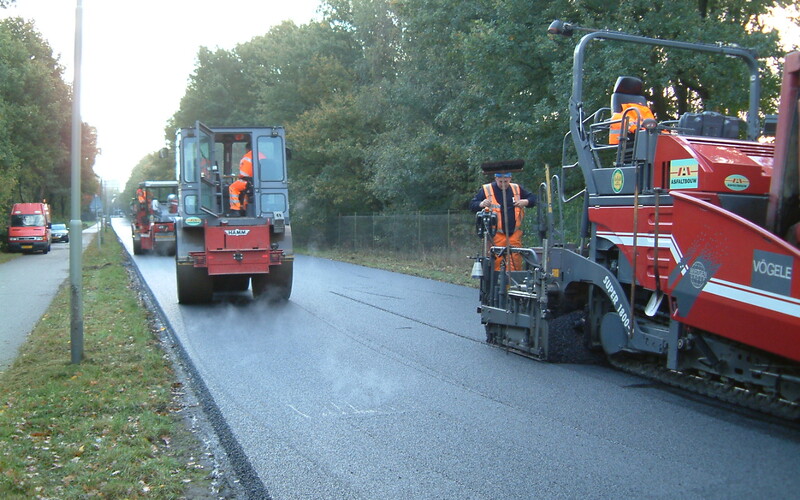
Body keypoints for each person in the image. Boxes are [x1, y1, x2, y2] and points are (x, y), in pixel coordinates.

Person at [469, 171, 536, 271]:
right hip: (495, 236)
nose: (503, 184)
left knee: (515, 262)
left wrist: (525, 201)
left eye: (506, 181)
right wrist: (481, 204)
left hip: (514, 235)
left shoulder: (516, 188)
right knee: (496, 263)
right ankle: (497, 284)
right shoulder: (487, 189)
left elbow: (533, 199)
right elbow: (472, 205)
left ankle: (512, 285)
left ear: (510, 178)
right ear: (496, 178)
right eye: (501, 181)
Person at [229, 147, 255, 215]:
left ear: (247, 149)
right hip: (258, 182)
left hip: (248, 181)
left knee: (233, 187)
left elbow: (244, 174)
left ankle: (235, 209)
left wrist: (240, 177)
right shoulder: (262, 155)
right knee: (246, 192)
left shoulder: (247, 157)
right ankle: (245, 208)